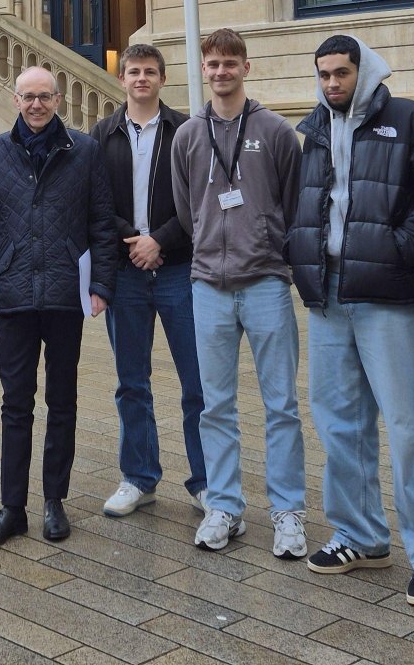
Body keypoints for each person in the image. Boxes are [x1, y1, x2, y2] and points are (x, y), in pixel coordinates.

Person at [286, 34, 414, 606]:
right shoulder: (310, 129)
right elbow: (301, 202)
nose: (332, 83)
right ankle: (359, 535)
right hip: (329, 296)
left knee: (412, 429)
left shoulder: (413, 122)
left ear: (365, 72)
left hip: (389, 295)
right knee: (339, 423)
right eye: (324, 75)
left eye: (341, 73)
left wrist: (398, 246)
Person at [0, 65, 115, 549]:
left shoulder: (84, 150)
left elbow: (100, 220)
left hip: (65, 292)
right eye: (28, 97)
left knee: (63, 401)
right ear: (16, 100)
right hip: (13, 293)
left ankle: (55, 499)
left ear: (58, 99)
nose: (36, 105)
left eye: (44, 97)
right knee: (15, 403)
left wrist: (102, 285)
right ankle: (12, 506)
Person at [171, 29, 305, 556]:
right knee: (215, 404)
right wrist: (209, 242)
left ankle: (288, 510)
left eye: (230, 63)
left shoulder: (274, 131)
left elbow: (292, 202)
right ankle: (224, 505)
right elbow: (186, 209)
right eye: (213, 63)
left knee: (282, 404)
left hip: (267, 280)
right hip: (208, 285)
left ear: (246, 68)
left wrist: (268, 243)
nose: (221, 71)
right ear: (202, 69)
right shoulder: (187, 135)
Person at [89, 44, 204, 520]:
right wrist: (132, 240)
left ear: (162, 78)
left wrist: (159, 240)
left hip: (178, 270)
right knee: (131, 382)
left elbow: (201, 199)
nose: (141, 79)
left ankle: (206, 483)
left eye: (149, 72)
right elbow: (94, 203)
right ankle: (139, 478)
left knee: (198, 383)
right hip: (126, 274)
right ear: (122, 79)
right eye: (133, 71)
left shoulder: (187, 131)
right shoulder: (101, 134)